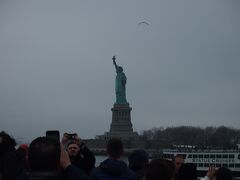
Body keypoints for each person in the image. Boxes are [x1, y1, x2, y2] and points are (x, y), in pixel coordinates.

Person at [17, 136, 88, 180]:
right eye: (71, 148)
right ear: (59, 163)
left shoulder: (19, 176)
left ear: (27, 160)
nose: (72, 149)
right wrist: (68, 165)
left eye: (75, 148)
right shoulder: (71, 172)